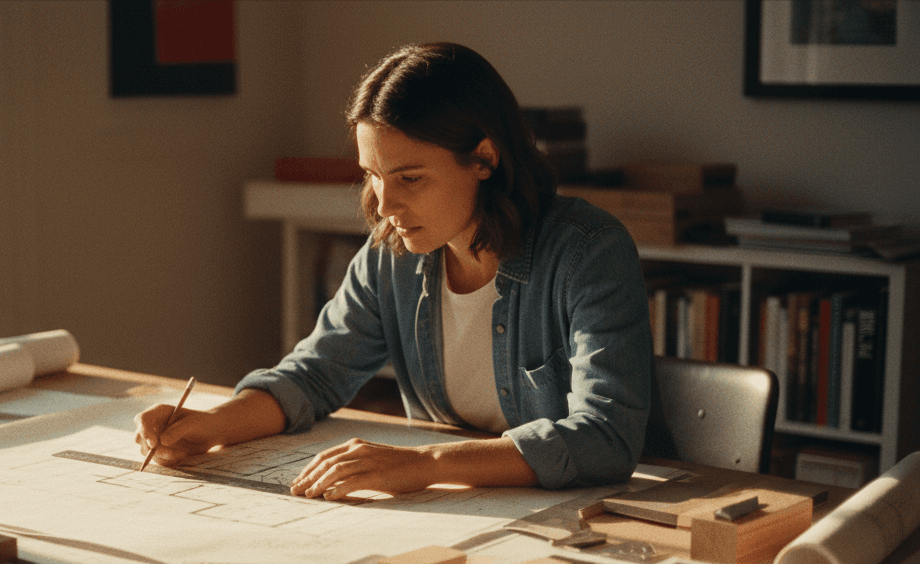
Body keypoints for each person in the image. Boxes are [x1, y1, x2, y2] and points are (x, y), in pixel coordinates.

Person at [135, 42, 651, 497]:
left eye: (409, 178)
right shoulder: (392, 256)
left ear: (484, 159)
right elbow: (314, 376)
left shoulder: (589, 253)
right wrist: (212, 425)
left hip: (579, 516)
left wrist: (427, 464)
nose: (384, 206)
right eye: (373, 176)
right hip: (456, 513)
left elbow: (606, 436)